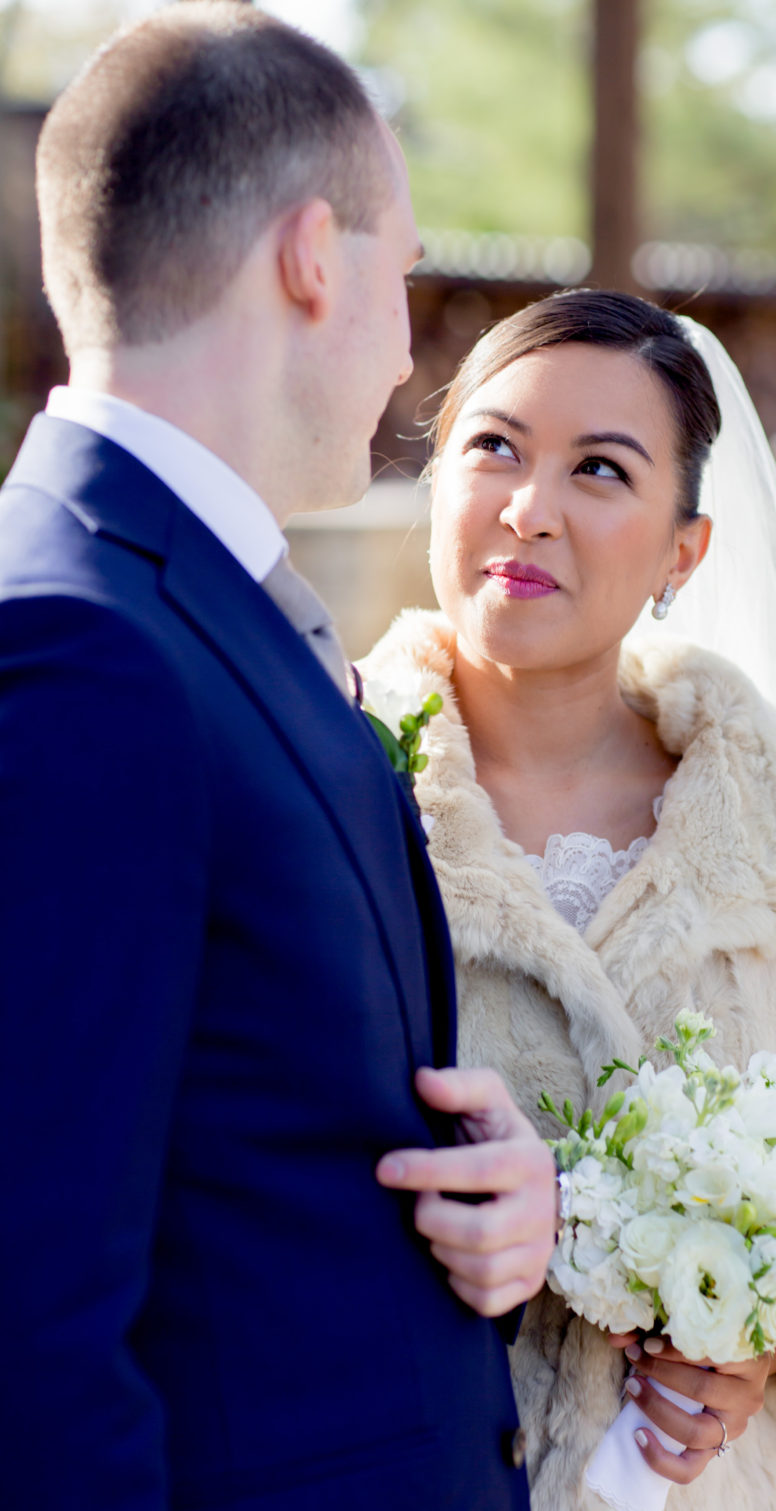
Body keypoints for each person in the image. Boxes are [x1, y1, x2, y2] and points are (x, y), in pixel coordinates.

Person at [0, 6, 560, 1508]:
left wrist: (484, 1188)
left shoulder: (190, 606)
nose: (408, 341)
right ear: (314, 256)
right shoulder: (79, 646)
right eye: (406, 267)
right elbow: (29, 1313)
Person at [359, 289, 776, 1511]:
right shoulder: (324, 773)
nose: (528, 508)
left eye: (600, 469)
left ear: (680, 552)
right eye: (491, 447)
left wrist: (775, 1337)